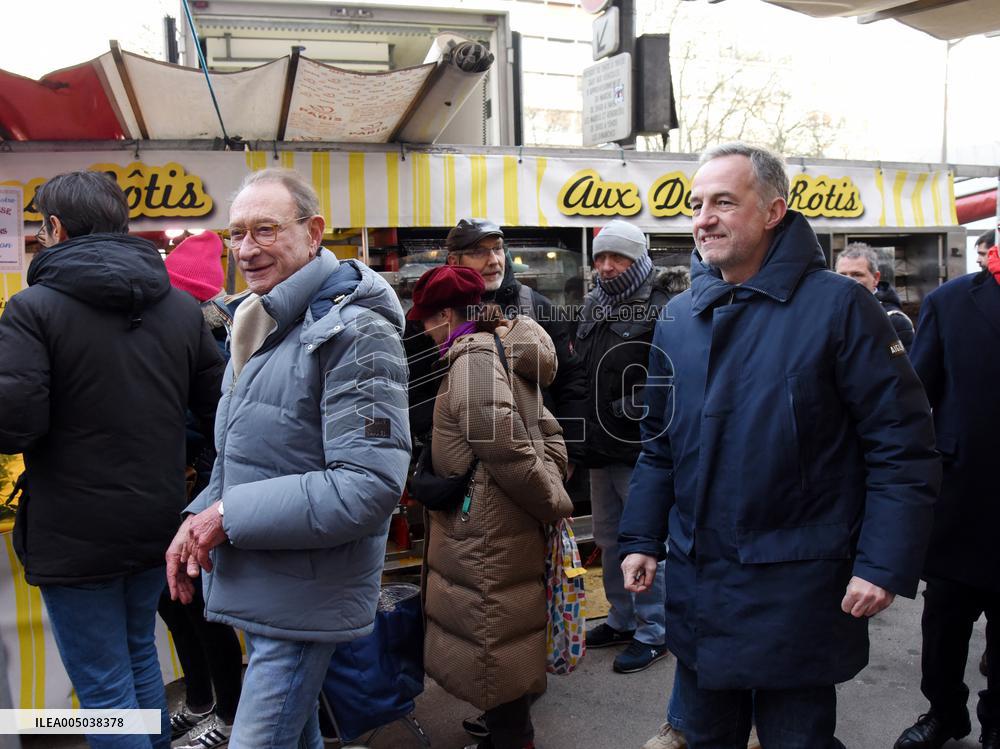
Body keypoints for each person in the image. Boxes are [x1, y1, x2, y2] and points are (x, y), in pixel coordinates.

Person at [618, 143, 940, 749]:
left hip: (797, 595)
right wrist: (640, 538)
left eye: (723, 202)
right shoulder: (679, 317)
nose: (703, 218)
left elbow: (902, 448)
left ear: (772, 211)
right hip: (699, 591)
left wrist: (882, 565)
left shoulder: (842, 307)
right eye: (696, 204)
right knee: (701, 736)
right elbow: (659, 445)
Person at [165, 168, 411, 749]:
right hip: (269, 582)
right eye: (236, 234)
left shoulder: (357, 333)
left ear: (314, 232)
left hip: (307, 590)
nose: (246, 250)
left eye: (265, 230)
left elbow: (368, 485)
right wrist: (194, 517)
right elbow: (238, 456)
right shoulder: (259, 323)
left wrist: (226, 515)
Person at [0, 170, 224, 749]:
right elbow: (221, 413)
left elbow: (13, 425)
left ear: (54, 227)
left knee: (102, 693)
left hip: (74, 532)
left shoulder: (32, 309)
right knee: (140, 662)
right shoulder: (179, 309)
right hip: (157, 518)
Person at [408, 264, 573, 749]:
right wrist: (553, 472)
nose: (422, 328)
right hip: (497, 523)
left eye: (426, 318)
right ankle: (507, 731)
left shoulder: (474, 357)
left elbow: (506, 447)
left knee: (491, 632)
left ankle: (511, 738)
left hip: (485, 530)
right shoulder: (499, 346)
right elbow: (545, 427)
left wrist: (552, 500)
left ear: (446, 315)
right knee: (500, 631)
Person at [893, 241, 1000, 749]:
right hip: (964, 496)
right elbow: (918, 398)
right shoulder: (953, 301)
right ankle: (944, 712)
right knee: (945, 622)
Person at [158, 231, 244, 749]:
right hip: (185, 489)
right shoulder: (193, 334)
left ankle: (227, 714)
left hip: (200, 492)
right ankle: (202, 701)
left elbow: (213, 427)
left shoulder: (207, 342)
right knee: (178, 604)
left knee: (200, 608)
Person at [575, 219, 671, 674]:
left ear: (638, 259)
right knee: (609, 539)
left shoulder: (663, 304)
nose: (607, 266)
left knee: (644, 540)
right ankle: (621, 617)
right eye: (600, 257)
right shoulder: (593, 303)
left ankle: (655, 631)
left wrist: (629, 408)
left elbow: (676, 375)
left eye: (618, 258)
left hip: (641, 449)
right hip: (599, 445)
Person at [444, 219, 587, 470]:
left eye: (497, 249)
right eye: (479, 252)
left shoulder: (536, 307)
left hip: (533, 461)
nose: (493, 260)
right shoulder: (440, 312)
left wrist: (571, 453)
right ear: (454, 261)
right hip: (462, 463)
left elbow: (570, 381)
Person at [835, 242, 915, 353]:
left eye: (857, 274)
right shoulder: (828, 314)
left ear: (876, 278)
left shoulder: (894, 321)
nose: (848, 281)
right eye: (842, 275)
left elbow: (901, 365)